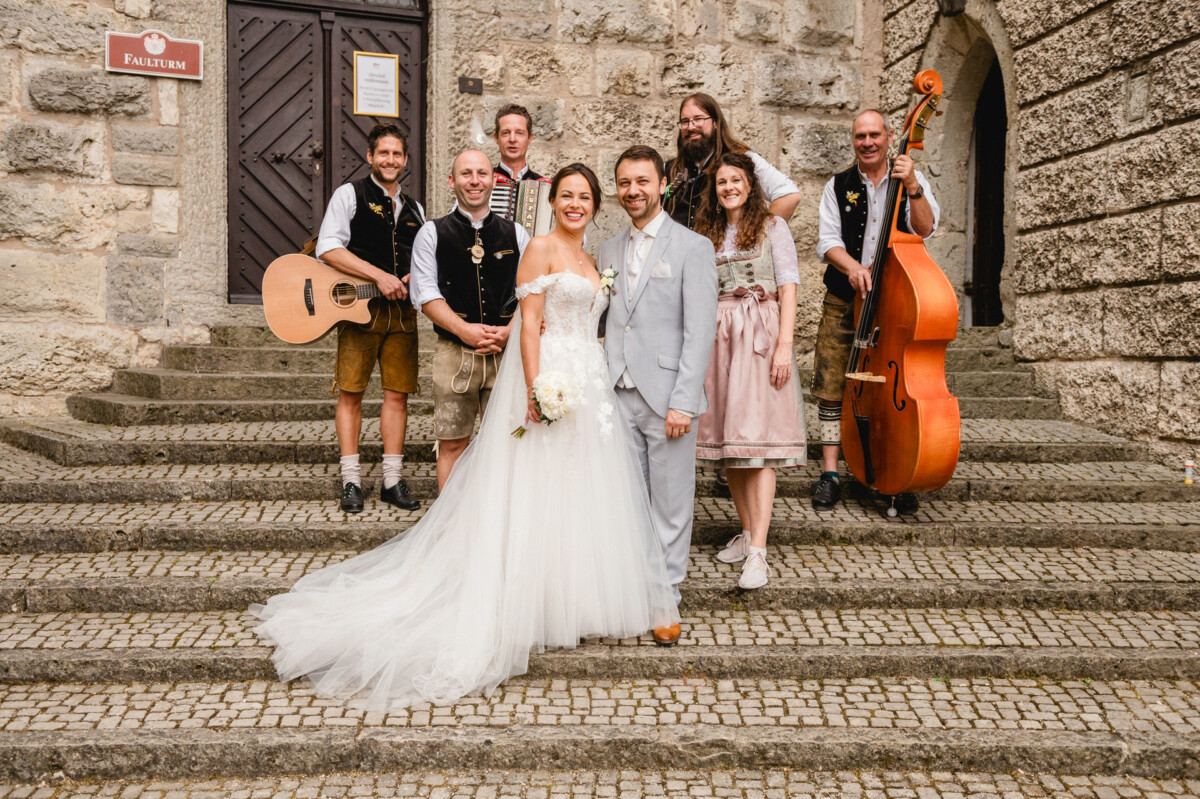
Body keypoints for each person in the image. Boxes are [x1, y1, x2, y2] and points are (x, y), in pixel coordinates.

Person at [252, 164, 678, 711]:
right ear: (553, 202)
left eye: (584, 197)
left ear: (596, 205)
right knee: (536, 483)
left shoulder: (595, 260)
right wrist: (536, 384)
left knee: (580, 489)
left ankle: (576, 598)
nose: (575, 204)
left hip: (590, 383)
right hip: (551, 377)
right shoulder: (542, 248)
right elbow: (529, 323)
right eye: (566, 195)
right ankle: (528, 596)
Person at [601, 145, 719, 637]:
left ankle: (667, 597)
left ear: (662, 184)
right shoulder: (607, 249)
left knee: (670, 502)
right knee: (626, 499)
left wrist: (684, 401)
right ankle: (633, 589)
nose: (633, 192)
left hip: (667, 395)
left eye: (642, 182)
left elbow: (700, 331)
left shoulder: (693, 247)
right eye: (625, 183)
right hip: (616, 391)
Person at [811, 109, 939, 513]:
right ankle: (831, 472)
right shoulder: (838, 186)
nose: (866, 142)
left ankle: (894, 467)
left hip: (895, 302)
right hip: (844, 299)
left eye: (874, 135)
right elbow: (827, 241)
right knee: (832, 383)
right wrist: (852, 268)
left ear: (888, 137)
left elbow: (925, 228)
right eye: (859, 136)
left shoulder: (910, 180)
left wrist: (913, 185)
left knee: (892, 387)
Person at [694, 153, 806, 589]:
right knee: (732, 443)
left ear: (750, 183)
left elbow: (789, 287)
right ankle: (746, 533)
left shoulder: (774, 227)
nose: (728, 188)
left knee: (757, 445)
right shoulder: (709, 232)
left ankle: (758, 551)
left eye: (735, 180)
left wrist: (784, 346)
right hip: (721, 340)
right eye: (721, 182)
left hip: (761, 335)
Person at [315, 123, 424, 514]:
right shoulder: (349, 194)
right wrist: (378, 275)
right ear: (369, 156)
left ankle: (392, 480)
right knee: (351, 392)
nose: (390, 160)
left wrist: (416, 276)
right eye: (384, 153)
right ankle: (350, 481)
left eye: (397, 154)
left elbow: (422, 260)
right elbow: (328, 247)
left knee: (397, 395)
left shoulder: (416, 209)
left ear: (405, 160)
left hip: (401, 315)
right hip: (356, 311)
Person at [409, 149, 530, 490]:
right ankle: (450, 526)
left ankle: (501, 524)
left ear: (493, 180)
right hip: (453, 352)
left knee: (510, 442)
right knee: (452, 444)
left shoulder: (518, 234)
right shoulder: (431, 234)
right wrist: (464, 330)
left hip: (507, 354)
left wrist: (509, 332)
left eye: (481, 173)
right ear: (452, 181)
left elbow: (531, 293)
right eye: (466, 174)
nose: (474, 181)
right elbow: (426, 296)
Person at [665, 93, 802, 230]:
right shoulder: (668, 168)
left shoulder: (743, 160)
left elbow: (788, 194)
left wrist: (760, 237)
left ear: (715, 123)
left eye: (698, 119)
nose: (691, 127)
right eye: (685, 121)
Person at [492, 103, 542, 181]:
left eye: (519, 133)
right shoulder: (486, 182)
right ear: (496, 138)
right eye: (506, 133)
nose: (512, 139)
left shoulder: (543, 185)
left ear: (530, 138)